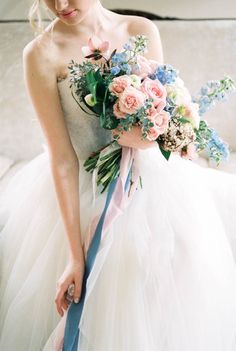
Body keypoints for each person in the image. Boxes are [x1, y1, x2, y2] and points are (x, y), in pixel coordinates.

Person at [1, 0, 236, 350]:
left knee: (180, 259)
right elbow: (63, 159)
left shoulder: (140, 31)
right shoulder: (41, 54)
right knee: (109, 277)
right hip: (83, 180)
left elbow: (161, 115)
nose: (60, 5)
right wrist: (74, 256)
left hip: (152, 177)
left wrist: (145, 135)